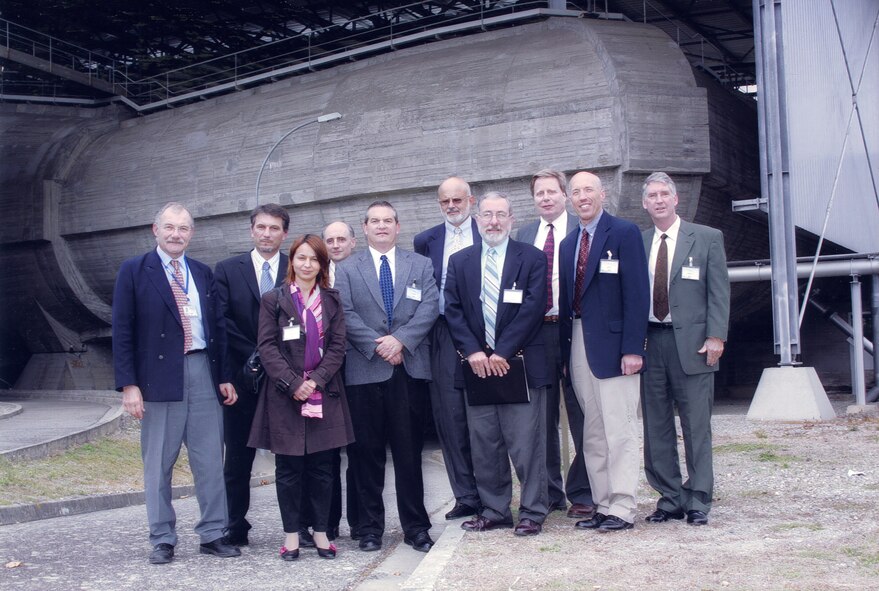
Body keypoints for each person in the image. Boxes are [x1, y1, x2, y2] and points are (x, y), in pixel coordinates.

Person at [112, 202, 241, 564]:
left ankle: (214, 533)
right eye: (169, 227)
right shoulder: (134, 271)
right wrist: (129, 385)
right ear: (155, 230)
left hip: (203, 372)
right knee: (159, 463)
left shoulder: (202, 272)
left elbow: (218, 330)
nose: (176, 234)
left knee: (210, 460)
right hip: (156, 380)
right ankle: (162, 538)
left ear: (191, 234)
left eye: (183, 228)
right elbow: (122, 331)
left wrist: (225, 377)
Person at [333, 201, 439, 553]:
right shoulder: (346, 269)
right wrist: (378, 345)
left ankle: (416, 528)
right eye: (374, 221)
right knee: (366, 455)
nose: (381, 226)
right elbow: (344, 313)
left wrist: (401, 341)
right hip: (365, 370)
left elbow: (429, 307)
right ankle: (369, 529)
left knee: (410, 454)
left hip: (407, 369)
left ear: (398, 226)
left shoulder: (420, 264)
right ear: (364, 228)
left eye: (388, 221)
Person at [444, 191, 550, 536]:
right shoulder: (460, 261)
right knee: (485, 443)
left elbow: (533, 308)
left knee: (526, 443)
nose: (493, 221)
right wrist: (475, 352)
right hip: (477, 367)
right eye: (487, 215)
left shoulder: (532, 257)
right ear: (477, 219)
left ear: (511, 219)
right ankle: (495, 509)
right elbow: (454, 310)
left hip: (518, 363)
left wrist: (501, 352)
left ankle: (533, 511)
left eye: (500, 215)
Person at [248, 234, 354, 560]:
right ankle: (291, 535)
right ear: (291, 260)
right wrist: (295, 383)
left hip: (325, 392)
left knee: (324, 468)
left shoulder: (332, 300)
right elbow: (267, 347)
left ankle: (321, 532)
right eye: (301, 258)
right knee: (289, 469)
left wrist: (317, 380)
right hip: (285, 396)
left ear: (322, 264)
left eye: (314, 259)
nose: (307, 264)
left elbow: (337, 347)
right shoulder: (273, 299)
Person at [559, 172, 649, 533]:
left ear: (602, 194)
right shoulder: (568, 244)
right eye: (576, 192)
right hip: (579, 342)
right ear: (570, 199)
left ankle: (623, 507)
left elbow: (637, 294)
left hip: (615, 347)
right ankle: (602, 502)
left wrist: (632, 348)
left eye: (588, 190)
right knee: (593, 432)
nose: (582, 197)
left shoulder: (624, 233)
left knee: (620, 429)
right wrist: (566, 357)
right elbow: (568, 304)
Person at [640, 172, 730, 526]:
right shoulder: (640, 241)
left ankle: (699, 499)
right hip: (651, 343)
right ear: (645, 203)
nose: (659, 200)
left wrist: (716, 336)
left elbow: (719, 291)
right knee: (656, 426)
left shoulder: (706, 238)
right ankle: (669, 497)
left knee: (696, 424)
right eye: (653, 196)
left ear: (676, 199)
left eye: (665, 194)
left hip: (693, 345)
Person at [514, 169, 595, 520]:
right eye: (539, 193)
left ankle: (584, 490)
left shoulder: (582, 232)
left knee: (582, 414)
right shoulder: (525, 234)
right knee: (541, 418)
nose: (545, 198)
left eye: (551, 191)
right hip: (536, 334)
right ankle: (549, 491)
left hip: (574, 330)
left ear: (565, 195)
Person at [214, 203, 289, 546]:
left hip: (287, 378)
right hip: (242, 379)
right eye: (261, 227)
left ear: (284, 233)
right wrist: (256, 354)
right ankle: (234, 524)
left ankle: (298, 525)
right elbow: (222, 322)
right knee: (238, 459)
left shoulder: (297, 266)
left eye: (274, 228)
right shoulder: (228, 269)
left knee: (291, 456)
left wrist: (274, 357)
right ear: (251, 230)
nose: (267, 233)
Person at [413, 176, 481, 520]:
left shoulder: (487, 231)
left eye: (458, 200)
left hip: (483, 334)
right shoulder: (425, 241)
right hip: (441, 333)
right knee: (449, 417)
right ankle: (466, 496)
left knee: (483, 415)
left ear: (471, 200)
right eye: (445, 202)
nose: (452, 206)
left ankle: (492, 492)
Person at [323, 221, 357, 288]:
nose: (335, 246)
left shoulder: (368, 270)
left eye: (341, 240)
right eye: (330, 241)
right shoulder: (317, 273)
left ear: (352, 242)